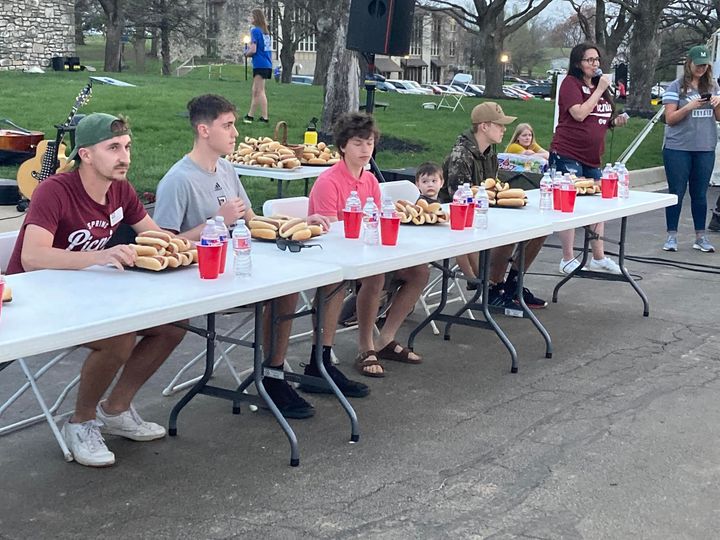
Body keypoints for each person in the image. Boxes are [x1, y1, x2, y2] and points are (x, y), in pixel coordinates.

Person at [153, 94, 369, 419]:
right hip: (200, 278)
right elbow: (163, 247)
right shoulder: (178, 180)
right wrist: (216, 222)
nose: (235, 133)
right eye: (227, 126)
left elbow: (252, 221)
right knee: (283, 289)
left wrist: (297, 223)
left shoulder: (226, 169)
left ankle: (275, 372)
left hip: (239, 264)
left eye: (234, 125)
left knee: (293, 284)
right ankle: (273, 376)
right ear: (203, 130)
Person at [6, 113, 186, 467]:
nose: (125, 157)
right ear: (85, 155)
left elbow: (154, 235)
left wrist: (199, 238)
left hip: (89, 293)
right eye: (114, 148)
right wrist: (101, 255)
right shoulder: (54, 191)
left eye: (128, 147)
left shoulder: (120, 188)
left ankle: (116, 409)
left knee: (174, 324)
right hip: (34, 297)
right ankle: (81, 422)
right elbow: (32, 257)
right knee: (118, 336)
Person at [308, 112, 430, 378]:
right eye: (358, 143)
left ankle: (385, 338)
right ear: (342, 146)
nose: (365, 149)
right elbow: (330, 234)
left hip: (367, 249)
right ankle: (366, 346)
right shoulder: (328, 182)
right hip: (336, 256)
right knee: (375, 276)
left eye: (370, 142)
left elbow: (374, 219)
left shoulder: (371, 180)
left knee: (419, 271)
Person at [441, 102, 548, 309]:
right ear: (484, 126)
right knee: (507, 233)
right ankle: (492, 287)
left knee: (540, 229)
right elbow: (458, 198)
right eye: (499, 125)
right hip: (461, 220)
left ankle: (512, 284)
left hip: (487, 212)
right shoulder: (461, 155)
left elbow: (494, 186)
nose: (504, 130)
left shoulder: (490, 152)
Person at [549, 42, 628, 275]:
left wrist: (614, 121)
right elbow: (580, 114)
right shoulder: (570, 84)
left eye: (597, 60)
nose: (595, 64)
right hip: (568, 152)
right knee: (569, 204)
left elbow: (600, 117)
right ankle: (567, 257)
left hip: (592, 156)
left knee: (597, 206)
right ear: (577, 63)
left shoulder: (599, 87)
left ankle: (599, 257)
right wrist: (599, 89)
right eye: (589, 60)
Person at [660, 45, 720, 253]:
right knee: (676, 191)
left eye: (705, 65)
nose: (701, 68)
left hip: (704, 146)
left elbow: (719, 117)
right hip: (678, 148)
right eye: (698, 64)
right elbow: (670, 119)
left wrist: (718, 103)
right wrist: (688, 106)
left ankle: (700, 237)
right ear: (689, 63)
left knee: (700, 193)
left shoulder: (712, 86)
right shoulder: (676, 87)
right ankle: (671, 235)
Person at [415, 162, 478, 287]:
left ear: (441, 183)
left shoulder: (439, 201)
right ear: (417, 184)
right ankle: (471, 278)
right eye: (425, 182)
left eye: (434, 181)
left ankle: (479, 275)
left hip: (442, 235)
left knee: (470, 244)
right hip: (427, 240)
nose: (430, 185)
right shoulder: (421, 203)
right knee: (459, 247)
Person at [242, 8, 272, 124]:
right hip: (266, 63)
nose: (250, 18)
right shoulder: (265, 32)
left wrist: (246, 53)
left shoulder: (255, 31)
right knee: (255, 90)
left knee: (259, 91)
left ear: (255, 18)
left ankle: (265, 117)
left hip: (260, 63)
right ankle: (250, 115)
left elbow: (253, 50)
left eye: (251, 16)